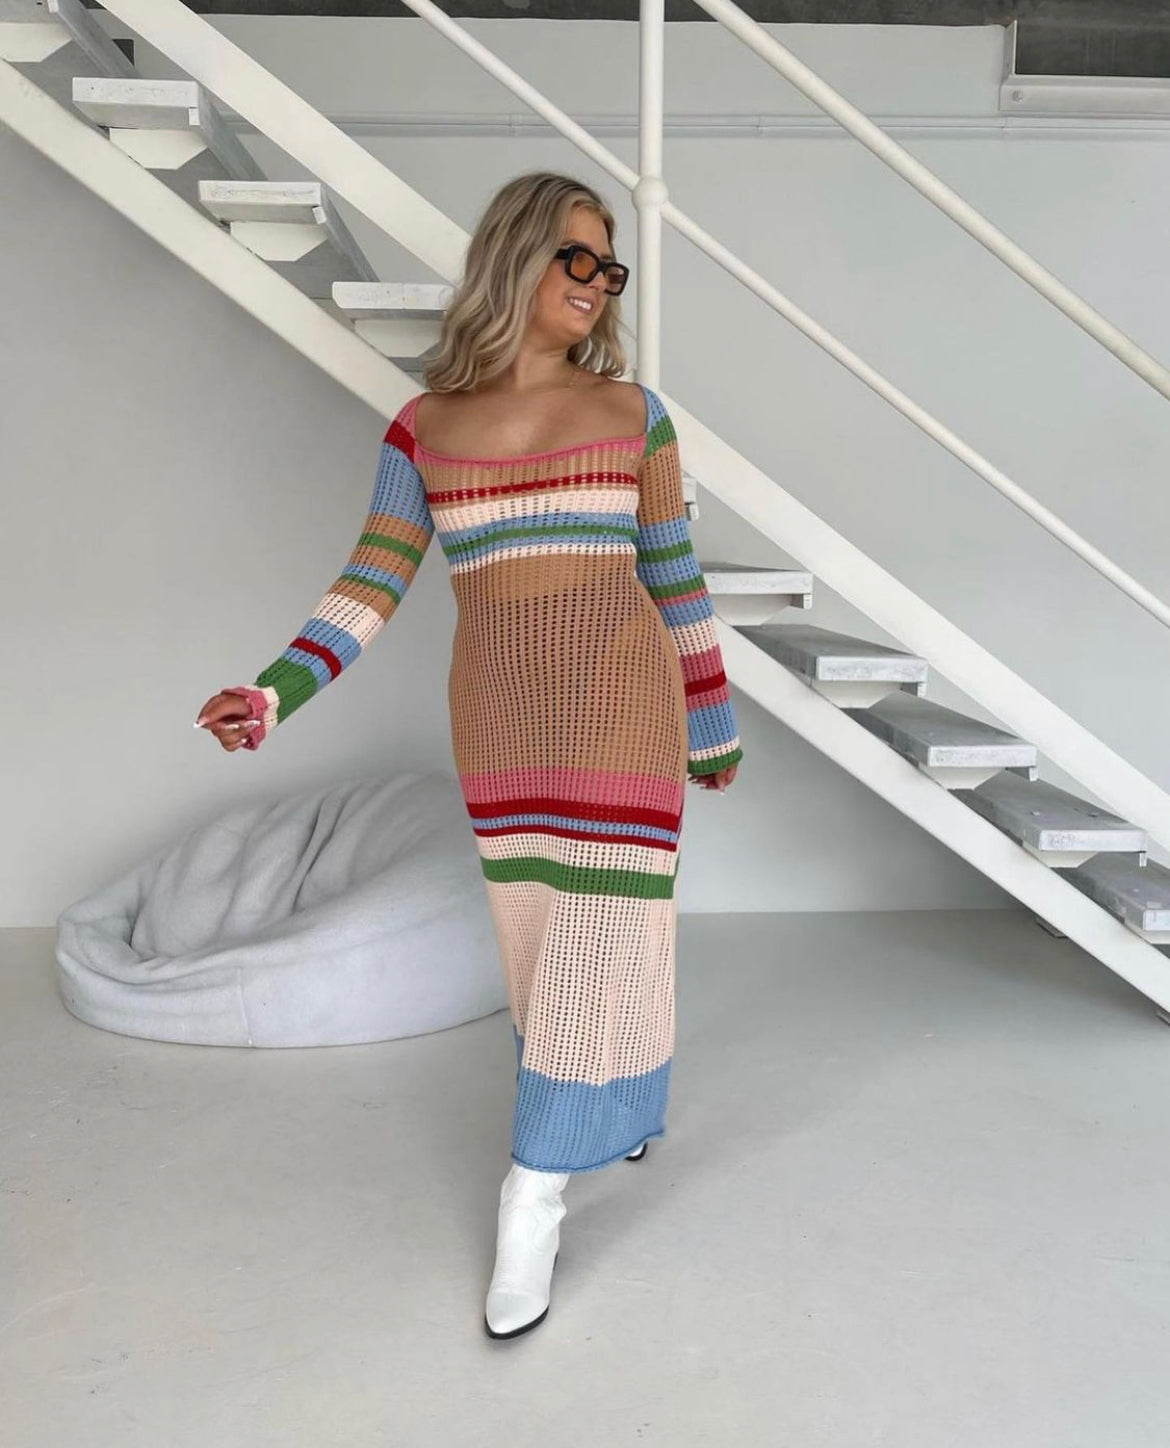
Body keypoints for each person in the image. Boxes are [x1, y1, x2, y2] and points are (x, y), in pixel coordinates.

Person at [194, 170, 743, 1340]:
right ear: (516, 257)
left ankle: (532, 1190)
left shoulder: (634, 413)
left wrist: (711, 719)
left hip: (623, 709)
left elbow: (675, 576)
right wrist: (273, 689)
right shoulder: (424, 429)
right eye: (576, 259)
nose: (597, 284)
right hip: (499, 720)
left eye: (609, 267)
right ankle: (617, 1104)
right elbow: (372, 579)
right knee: (544, 943)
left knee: (602, 928)